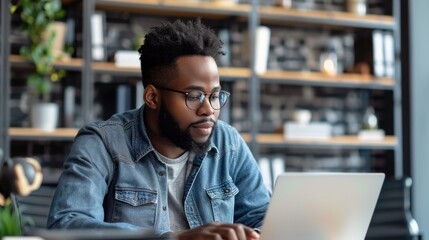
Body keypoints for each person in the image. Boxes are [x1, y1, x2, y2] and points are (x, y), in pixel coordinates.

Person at [47, 19, 271, 240]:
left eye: (215, 96)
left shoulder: (227, 142)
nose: (209, 110)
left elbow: (263, 218)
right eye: (194, 96)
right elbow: (67, 225)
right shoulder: (103, 143)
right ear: (152, 97)